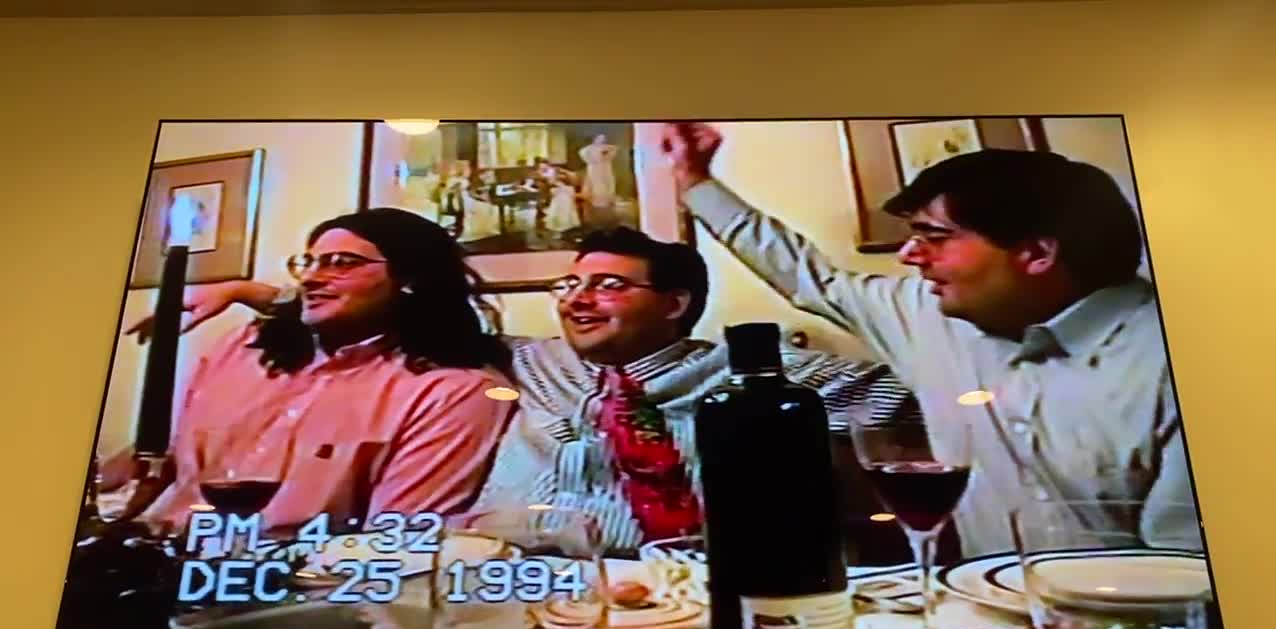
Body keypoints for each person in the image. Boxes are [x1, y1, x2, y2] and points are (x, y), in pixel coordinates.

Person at [133, 226, 915, 550]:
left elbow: (909, 403)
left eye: (608, 285)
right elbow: (412, 308)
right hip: (507, 574)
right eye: (569, 285)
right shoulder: (527, 361)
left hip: (682, 575)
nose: (579, 300)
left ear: (675, 303)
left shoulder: (757, 371)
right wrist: (253, 292)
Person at [661, 122, 1199, 556]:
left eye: (934, 237)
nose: (908, 256)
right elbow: (810, 276)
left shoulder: (1180, 361)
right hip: (981, 616)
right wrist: (695, 182)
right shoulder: (928, 314)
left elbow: (1188, 568)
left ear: (1037, 253)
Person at [130, 208, 514, 536]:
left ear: (410, 278)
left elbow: (393, 542)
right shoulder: (245, 348)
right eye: (309, 263)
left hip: (287, 586)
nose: (311, 278)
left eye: (342, 263)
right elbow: (166, 464)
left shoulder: (450, 392)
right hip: (152, 560)